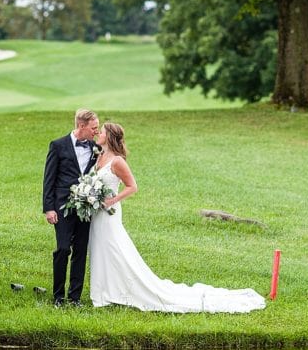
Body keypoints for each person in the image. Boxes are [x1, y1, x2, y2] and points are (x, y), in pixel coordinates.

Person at [89, 122, 266, 313]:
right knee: (100, 248)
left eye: (102, 131)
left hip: (110, 213)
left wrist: (112, 200)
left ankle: (120, 290)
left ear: (109, 136)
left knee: (114, 248)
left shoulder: (117, 161)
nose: (98, 133)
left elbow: (133, 186)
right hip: (96, 213)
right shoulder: (98, 156)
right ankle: (104, 290)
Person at [43, 109, 100, 307]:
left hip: (86, 207)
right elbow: (48, 179)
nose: (96, 131)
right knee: (63, 248)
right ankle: (58, 296)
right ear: (81, 126)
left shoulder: (96, 148)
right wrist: (48, 208)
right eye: (94, 128)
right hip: (62, 206)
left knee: (80, 251)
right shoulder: (58, 145)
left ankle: (74, 297)